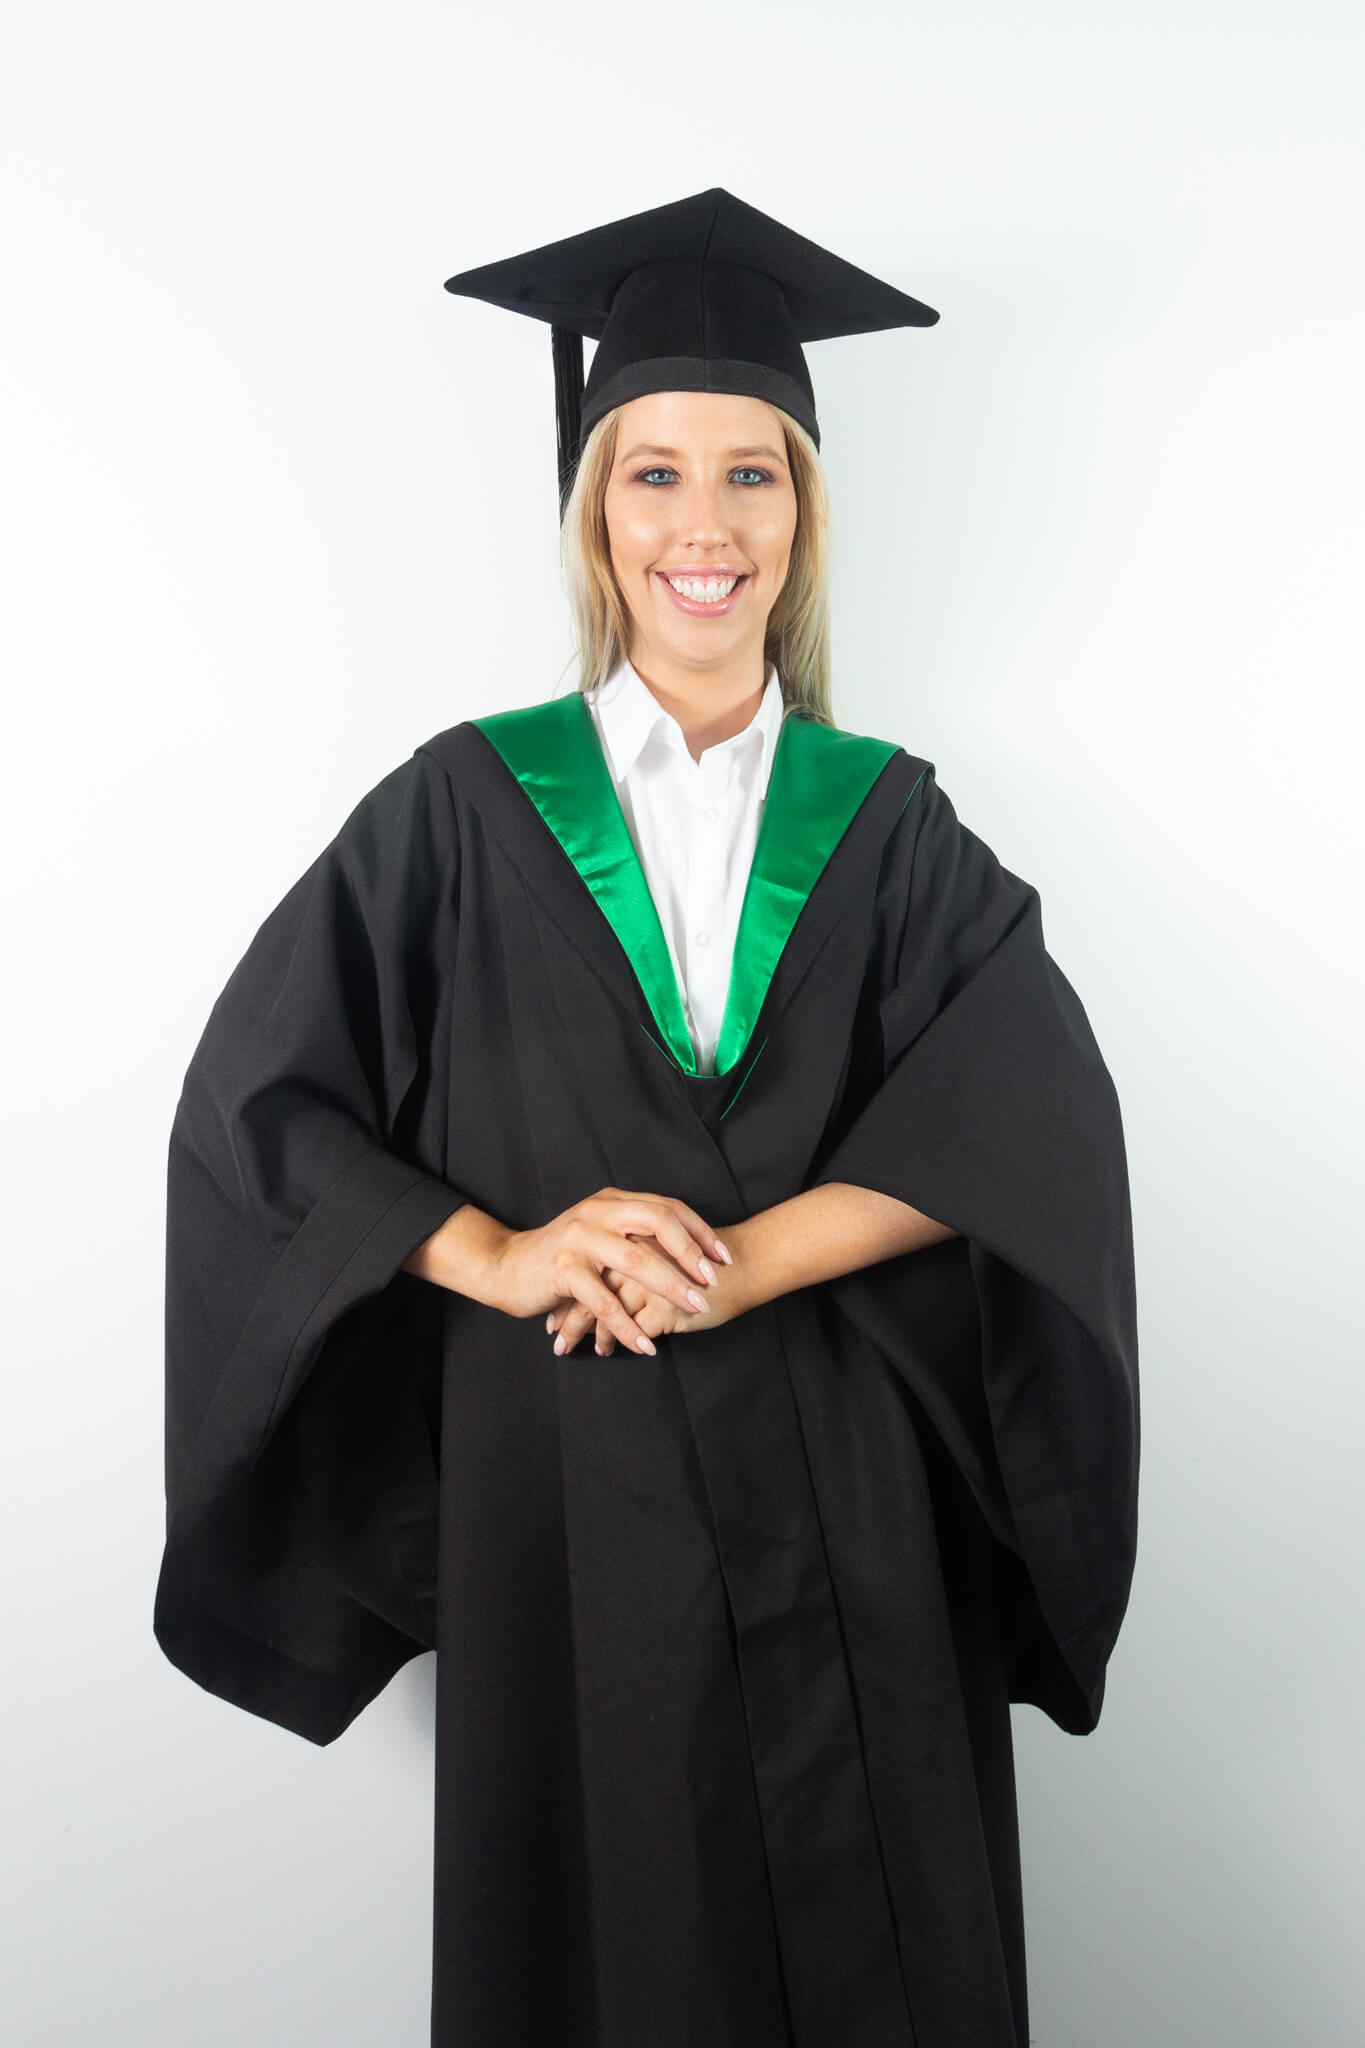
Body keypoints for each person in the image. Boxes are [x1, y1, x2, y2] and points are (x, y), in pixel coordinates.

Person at [155, 188, 1140, 2048]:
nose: (705, 527)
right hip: (566, 1470)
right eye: (655, 475)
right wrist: (508, 1250)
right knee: (601, 1940)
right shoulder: (459, 809)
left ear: (805, 515)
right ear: (593, 511)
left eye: (752, 477)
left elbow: (1028, 1108)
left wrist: (746, 1263)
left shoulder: (888, 818)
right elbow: (261, 1103)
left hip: (849, 1481)